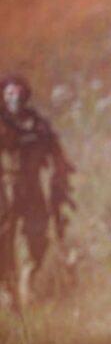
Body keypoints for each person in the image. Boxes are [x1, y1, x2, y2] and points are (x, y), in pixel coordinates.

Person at [0, 75, 75, 302]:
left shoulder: (39, 124)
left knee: (38, 237)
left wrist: (61, 176)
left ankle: (28, 275)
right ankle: (8, 289)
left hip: (33, 188)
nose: (14, 99)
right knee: (3, 240)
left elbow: (57, 154)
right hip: (6, 188)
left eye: (18, 94)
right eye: (9, 94)